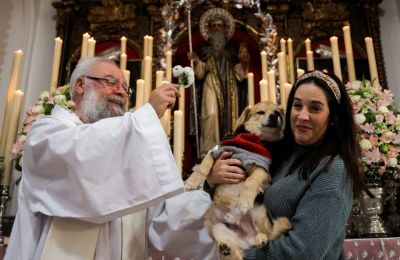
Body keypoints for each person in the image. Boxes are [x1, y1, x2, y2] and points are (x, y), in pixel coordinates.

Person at [5, 57, 185, 260]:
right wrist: (147, 115)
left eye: (125, 88)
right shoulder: (46, 133)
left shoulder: (127, 150)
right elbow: (83, 155)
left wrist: (210, 188)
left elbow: (160, 225)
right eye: (110, 82)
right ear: (81, 85)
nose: (121, 92)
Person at [207, 70, 365, 259]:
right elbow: (230, 204)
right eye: (297, 106)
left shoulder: (332, 169)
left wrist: (237, 255)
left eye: (315, 108)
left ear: (333, 119)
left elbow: (304, 252)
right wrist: (213, 180)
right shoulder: (281, 153)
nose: (302, 116)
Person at [188, 10, 250, 156]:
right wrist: (195, 60)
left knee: (231, 119)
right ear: (209, 30)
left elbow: (240, 73)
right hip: (210, 85)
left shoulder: (231, 52)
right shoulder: (204, 51)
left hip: (230, 90)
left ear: (225, 29)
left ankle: (230, 147)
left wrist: (244, 63)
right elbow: (201, 73)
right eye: (213, 26)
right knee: (211, 114)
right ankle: (209, 151)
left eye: (219, 26)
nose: (217, 29)